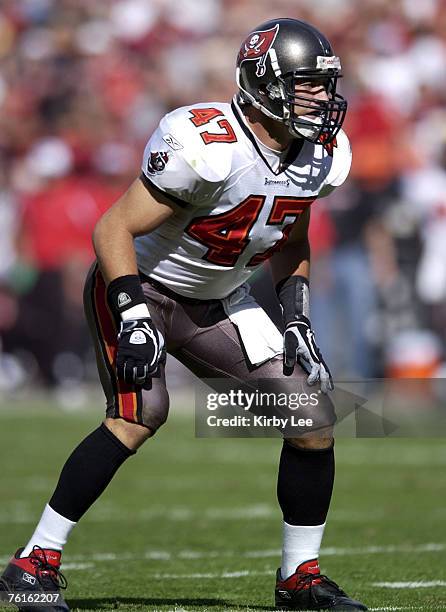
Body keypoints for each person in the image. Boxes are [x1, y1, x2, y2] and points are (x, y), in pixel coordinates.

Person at [0, 18, 367, 611]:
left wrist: (297, 316)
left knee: (312, 417)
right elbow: (112, 228)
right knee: (142, 413)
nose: (323, 99)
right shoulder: (206, 143)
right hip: (140, 283)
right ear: (264, 85)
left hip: (221, 298)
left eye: (325, 86)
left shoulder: (322, 156)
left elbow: (292, 234)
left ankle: (299, 580)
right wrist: (132, 312)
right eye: (306, 86)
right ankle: (32, 563)